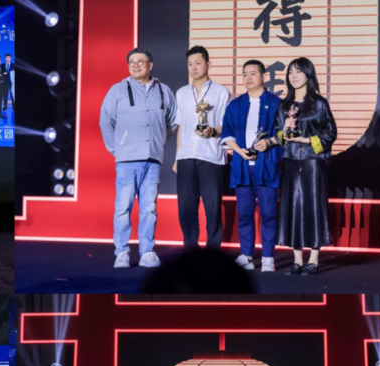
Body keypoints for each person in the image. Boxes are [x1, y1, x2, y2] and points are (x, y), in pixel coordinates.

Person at [99, 47, 178, 269]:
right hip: (126, 161)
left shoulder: (164, 90)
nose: (135, 65)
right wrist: (118, 150)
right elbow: (105, 121)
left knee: (149, 208)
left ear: (150, 65)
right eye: (131, 62)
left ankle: (147, 252)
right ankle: (122, 252)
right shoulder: (117, 90)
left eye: (140, 61)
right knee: (123, 208)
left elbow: (173, 121)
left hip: (152, 160)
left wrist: (156, 141)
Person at [273, 57, 337, 276]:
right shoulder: (283, 105)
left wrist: (308, 140)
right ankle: (297, 259)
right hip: (291, 162)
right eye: (290, 72)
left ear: (308, 75)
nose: (293, 76)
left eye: (298, 71)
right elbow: (277, 135)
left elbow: (331, 132)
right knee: (293, 206)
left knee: (314, 206)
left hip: (313, 162)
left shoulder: (319, 104)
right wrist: (285, 130)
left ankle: (314, 259)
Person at [221, 59, 283, 272]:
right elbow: (227, 133)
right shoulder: (235, 104)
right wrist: (239, 151)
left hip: (266, 167)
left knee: (269, 214)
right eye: (245, 74)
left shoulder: (277, 103)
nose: (248, 78)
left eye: (253, 73)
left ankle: (267, 257)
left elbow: (286, 133)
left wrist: (269, 142)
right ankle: (246, 255)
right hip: (242, 167)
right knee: (245, 214)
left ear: (263, 77)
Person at [174, 45, 231, 251]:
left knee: (213, 208)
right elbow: (181, 126)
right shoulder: (181, 93)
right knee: (186, 208)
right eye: (190, 64)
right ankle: (191, 250)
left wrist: (213, 131)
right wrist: (177, 157)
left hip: (211, 157)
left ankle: (213, 252)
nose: (193, 67)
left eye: (198, 63)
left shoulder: (221, 92)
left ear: (208, 64)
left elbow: (228, 125)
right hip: (186, 156)